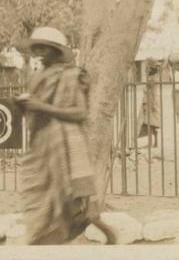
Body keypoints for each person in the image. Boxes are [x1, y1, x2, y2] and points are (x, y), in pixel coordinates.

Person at [16, 27, 114, 245]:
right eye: (36, 47)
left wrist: (40, 106)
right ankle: (52, 236)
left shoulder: (72, 75)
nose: (39, 51)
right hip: (42, 146)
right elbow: (35, 113)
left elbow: (80, 112)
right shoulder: (37, 77)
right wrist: (22, 107)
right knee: (40, 199)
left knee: (67, 198)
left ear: (56, 50)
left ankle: (81, 229)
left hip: (66, 144)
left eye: (45, 47)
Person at [137, 58, 162, 148]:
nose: (145, 70)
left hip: (151, 102)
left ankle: (152, 142)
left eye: (147, 68)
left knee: (150, 124)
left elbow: (154, 93)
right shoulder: (154, 78)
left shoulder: (152, 79)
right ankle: (155, 142)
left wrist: (153, 104)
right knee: (152, 124)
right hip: (151, 101)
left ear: (151, 69)